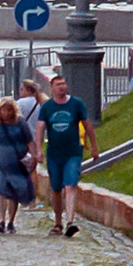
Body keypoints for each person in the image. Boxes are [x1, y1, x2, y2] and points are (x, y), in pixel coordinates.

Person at [29, 70, 91, 236]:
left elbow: (87, 124)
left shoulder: (77, 104)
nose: (62, 87)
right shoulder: (48, 107)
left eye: (64, 84)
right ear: (52, 88)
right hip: (54, 154)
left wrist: (94, 146)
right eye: (58, 85)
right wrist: (38, 150)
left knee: (70, 185)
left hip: (73, 152)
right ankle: (58, 222)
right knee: (56, 188)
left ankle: (70, 221)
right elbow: (40, 128)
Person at [0, 96, 35, 233]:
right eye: (4, 110)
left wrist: (34, 157)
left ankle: (11, 222)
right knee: (2, 191)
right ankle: (1, 221)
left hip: (16, 164)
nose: (7, 113)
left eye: (9, 110)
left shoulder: (20, 124)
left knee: (13, 193)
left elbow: (29, 141)